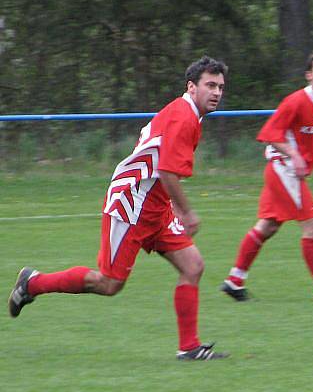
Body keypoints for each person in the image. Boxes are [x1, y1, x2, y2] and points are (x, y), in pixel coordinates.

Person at [8, 56, 231, 361]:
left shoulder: (188, 113)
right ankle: (33, 282)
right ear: (192, 87)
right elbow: (166, 171)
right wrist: (187, 211)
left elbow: (162, 170)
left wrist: (172, 206)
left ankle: (189, 347)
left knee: (193, 266)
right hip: (131, 204)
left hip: (155, 205)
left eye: (220, 86)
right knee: (109, 283)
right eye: (210, 85)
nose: (216, 92)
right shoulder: (184, 116)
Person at [220, 51, 313, 302]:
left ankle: (234, 280)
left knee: (268, 226)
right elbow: (269, 134)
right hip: (283, 169)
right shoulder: (295, 102)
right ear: (309, 75)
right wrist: (295, 155)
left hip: (290, 172)